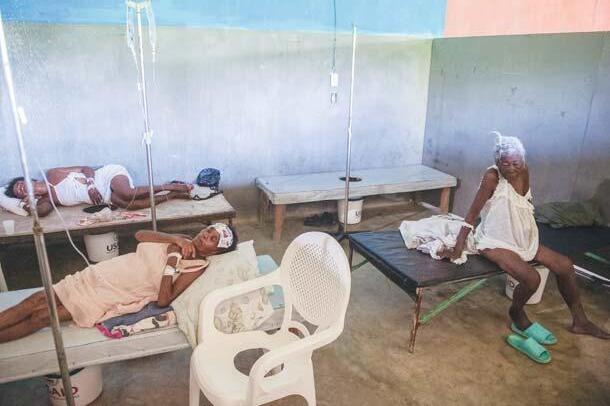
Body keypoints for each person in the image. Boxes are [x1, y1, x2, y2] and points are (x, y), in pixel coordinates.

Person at [443, 133, 608, 340]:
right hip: (495, 240)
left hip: (520, 236)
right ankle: (516, 311)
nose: (512, 168)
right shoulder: (492, 177)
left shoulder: (524, 170)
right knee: (532, 278)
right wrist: (458, 247)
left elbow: (525, 202)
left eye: (516, 163)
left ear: (523, 160)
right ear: (497, 162)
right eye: (505, 164)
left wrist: (528, 230)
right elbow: (472, 213)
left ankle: (580, 321)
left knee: (565, 266)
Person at [0, 223, 237, 343]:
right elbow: (140, 235)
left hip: (110, 295)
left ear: (215, 251)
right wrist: (174, 239)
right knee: (35, 300)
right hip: (103, 273)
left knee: (42, 317)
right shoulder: (181, 239)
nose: (204, 236)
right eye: (208, 230)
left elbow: (164, 300)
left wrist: (172, 261)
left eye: (212, 239)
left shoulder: (196, 266)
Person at [4, 164, 193, 217]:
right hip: (104, 196)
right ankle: (172, 196)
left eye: (19, 184)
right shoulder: (46, 200)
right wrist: (27, 206)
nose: (20, 188)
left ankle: (171, 186)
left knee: (127, 193)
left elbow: (86, 168)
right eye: (18, 192)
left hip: (103, 177)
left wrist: (91, 184)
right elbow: (42, 213)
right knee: (131, 205)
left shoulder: (52, 174)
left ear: (27, 179)